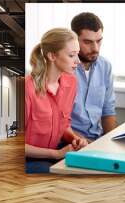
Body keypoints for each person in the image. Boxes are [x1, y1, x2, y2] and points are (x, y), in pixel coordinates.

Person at [25, 28, 88, 172]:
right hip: (30, 157)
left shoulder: (71, 82)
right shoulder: (28, 88)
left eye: (77, 54)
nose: (78, 61)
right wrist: (56, 154)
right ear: (52, 56)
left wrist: (74, 139)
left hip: (54, 151)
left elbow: (64, 124)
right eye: (72, 55)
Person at [70, 12, 117, 142]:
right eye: (87, 42)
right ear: (73, 39)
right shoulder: (64, 69)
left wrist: (111, 143)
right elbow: (58, 123)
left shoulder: (105, 66)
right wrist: (90, 145)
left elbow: (108, 112)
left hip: (97, 140)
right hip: (70, 141)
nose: (95, 48)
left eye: (99, 41)